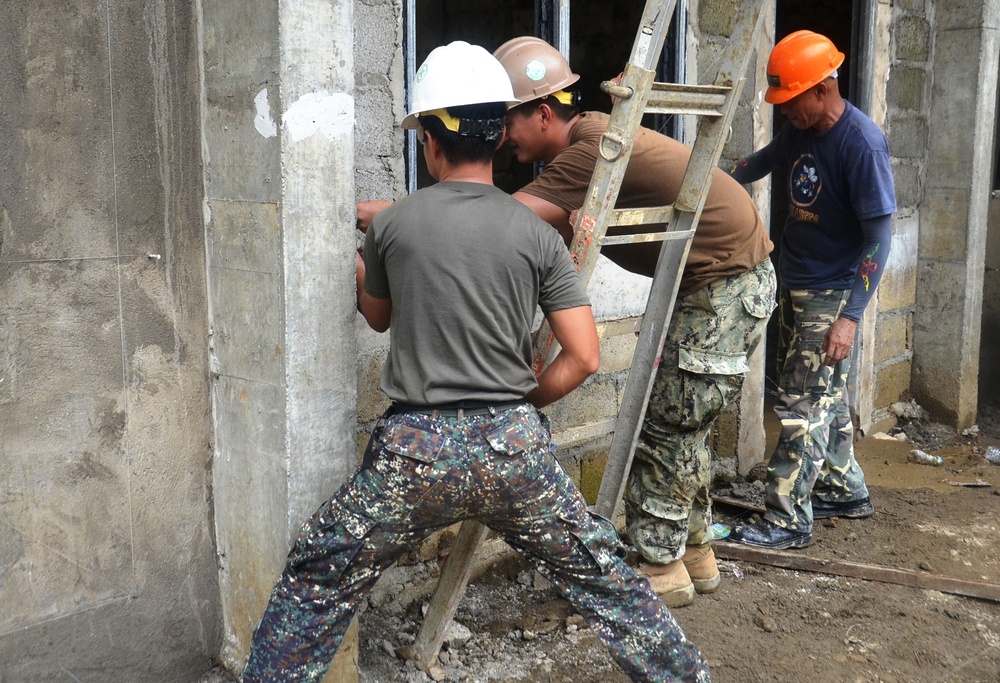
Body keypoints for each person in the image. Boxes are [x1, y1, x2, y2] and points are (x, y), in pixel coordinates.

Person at [242, 41, 710, 683]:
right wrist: (521, 405)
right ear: (494, 139)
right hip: (514, 449)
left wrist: (361, 270)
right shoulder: (539, 234)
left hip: (415, 453)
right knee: (604, 576)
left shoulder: (392, 226)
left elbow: (378, 317)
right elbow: (584, 356)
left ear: (431, 142)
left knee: (322, 571)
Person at [492, 37, 776, 608]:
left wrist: (403, 215)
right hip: (728, 284)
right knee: (684, 426)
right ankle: (694, 551)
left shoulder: (591, 150)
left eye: (506, 121)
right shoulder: (596, 133)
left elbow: (501, 217)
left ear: (543, 113)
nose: (501, 137)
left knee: (666, 427)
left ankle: (659, 570)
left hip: (721, 288)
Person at [726, 30, 895, 550]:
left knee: (801, 407)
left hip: (832, 294)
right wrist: (711, 183)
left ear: (822, 88)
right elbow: (759, 163)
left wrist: (851, 316)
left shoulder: (861, 145)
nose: (785, 112)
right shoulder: (800, 132)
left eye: (790, 100)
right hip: (795, 283)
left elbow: (879, 237)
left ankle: (785, 518)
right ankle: (843, 488)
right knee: (825, 395)